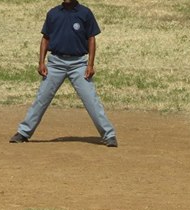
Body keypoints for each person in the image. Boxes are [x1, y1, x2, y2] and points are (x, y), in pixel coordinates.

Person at [9, 0, 117, 147]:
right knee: (42, 98)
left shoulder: (85, 13)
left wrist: (90, 64)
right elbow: (45, 39)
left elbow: (91, 39)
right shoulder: (53, 14)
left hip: (78, 64)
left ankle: (109, 135)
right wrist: (41, 62)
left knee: (91, 100)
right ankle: (23, 132)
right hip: (55, 63)